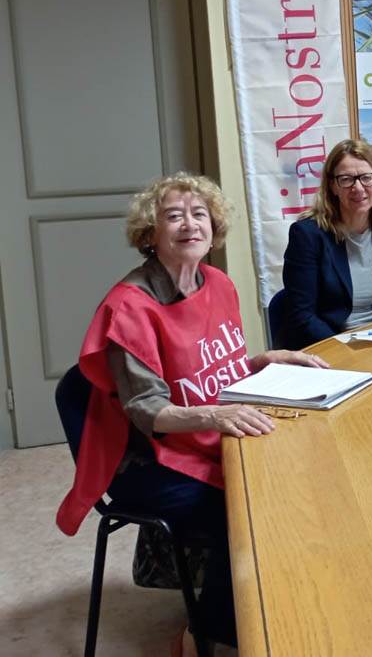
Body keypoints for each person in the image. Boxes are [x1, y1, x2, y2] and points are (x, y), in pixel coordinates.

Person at [56, 173, 327, 654]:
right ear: (150, 233)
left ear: (214, 226)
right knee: (247, 510)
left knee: (301, 470)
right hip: (146, 459)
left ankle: (277, 603)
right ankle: (205, 633)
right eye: (173, 215)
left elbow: (209, 373)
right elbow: (149, 409)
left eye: (199, 213)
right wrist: (216, 418)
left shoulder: (218, 283)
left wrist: (263, 360)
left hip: (204, 432)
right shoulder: (129, 307)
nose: (189, 224)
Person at [280, 139, 372, 349]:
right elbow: (302, 315)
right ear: (333, 186)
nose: (358, 187)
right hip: (332, 346)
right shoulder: (308, 235)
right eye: (346, 179)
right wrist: (345, 351)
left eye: (366, 178)